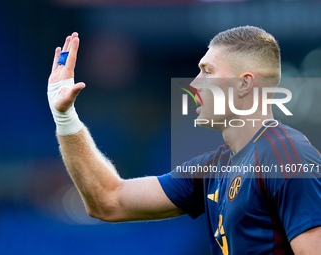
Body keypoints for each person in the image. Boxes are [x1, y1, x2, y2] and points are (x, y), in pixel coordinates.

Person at [47, 26, 321, 254]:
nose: (194, 84)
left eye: (208, 71)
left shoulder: (288, 156)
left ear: (245, 84)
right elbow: (108, 200)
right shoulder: (215, 167)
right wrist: (65, 117)